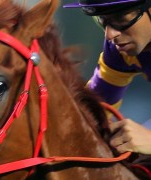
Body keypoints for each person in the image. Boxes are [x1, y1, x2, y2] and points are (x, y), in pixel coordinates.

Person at [64, 0, 151, 155]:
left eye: (121, 19)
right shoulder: (118, 51)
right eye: (103, 21)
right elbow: (90, 112)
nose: (110, 35)